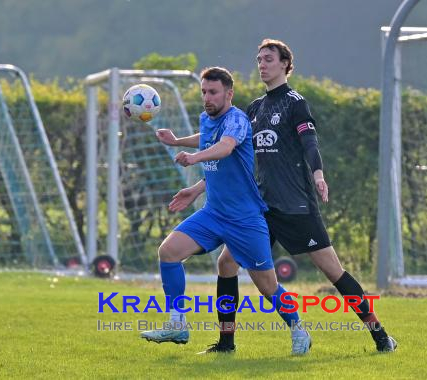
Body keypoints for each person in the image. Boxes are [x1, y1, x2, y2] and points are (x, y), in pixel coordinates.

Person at [156, 40, 397, 354]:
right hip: (260, 207)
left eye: (268, 59)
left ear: (285, 64)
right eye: (259, 59)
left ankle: (380, 336)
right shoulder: (254, 109)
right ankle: (226, 343)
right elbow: (234, 158)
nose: (262, 64)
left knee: (332, 271)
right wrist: (199, 186)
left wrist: (319, 174)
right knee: (226, 264)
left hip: (295, 205)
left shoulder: (295, 102)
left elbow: (310, 142)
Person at [141, 66, 312, 355]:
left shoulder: (238, 120)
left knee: (268, 287)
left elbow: (225, 146)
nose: (207, 97)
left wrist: (193, 158)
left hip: (245, 219)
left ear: (229, 93)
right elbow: (206, 138)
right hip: (214, 213)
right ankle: (177, 323)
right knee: (168, 253)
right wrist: (177, 142)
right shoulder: (207, 118)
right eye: (204, 92)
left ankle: (298, 329)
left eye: (213, 92)